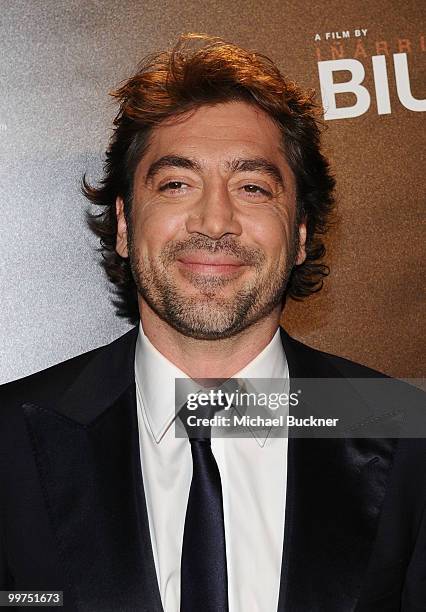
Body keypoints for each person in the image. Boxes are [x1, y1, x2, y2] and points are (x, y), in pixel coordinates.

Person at [0, 34, 425, 612]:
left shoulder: (410, 437)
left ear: (299, 232)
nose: (215, 219)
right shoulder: (10, 444)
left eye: (253, 187)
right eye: (178, 184)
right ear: (124, 223)